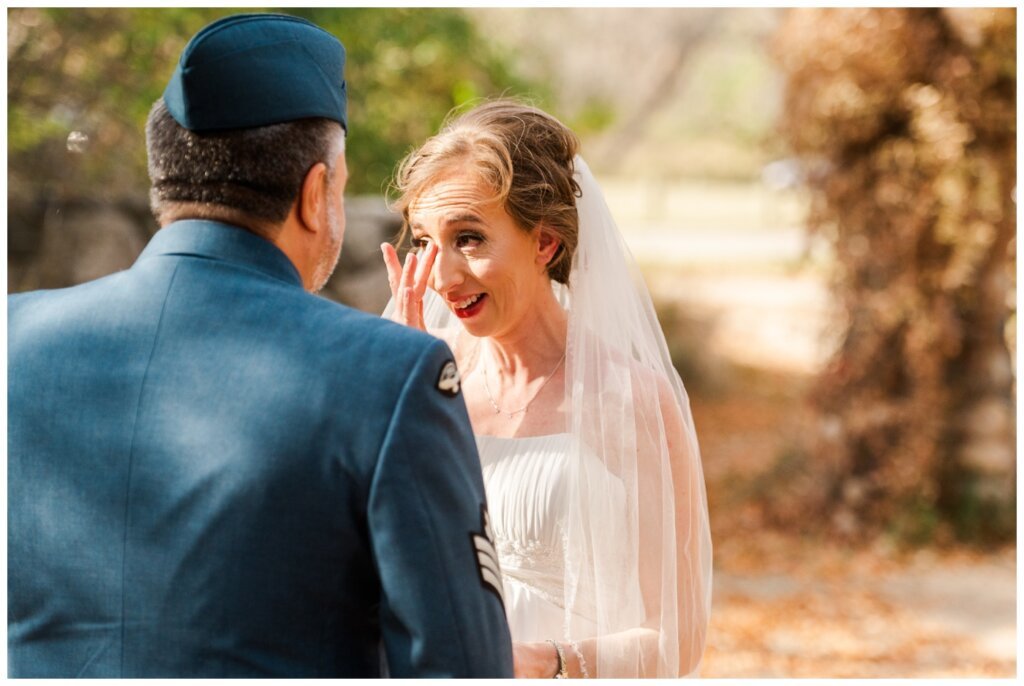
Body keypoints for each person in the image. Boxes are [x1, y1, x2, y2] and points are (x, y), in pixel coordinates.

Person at [8, 14, 513, 678]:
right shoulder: (389, 374)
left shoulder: (13, 339)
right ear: (314, 194)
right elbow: (463, 668)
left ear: (167, 182)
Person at [382, 100, 713, 678]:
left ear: (545, 243)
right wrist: (407, 400)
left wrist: (542, 661)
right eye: (425, 241)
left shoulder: (631, 400)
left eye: (470, 239)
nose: (442, 276)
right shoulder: (420, 374)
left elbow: (678, 639)